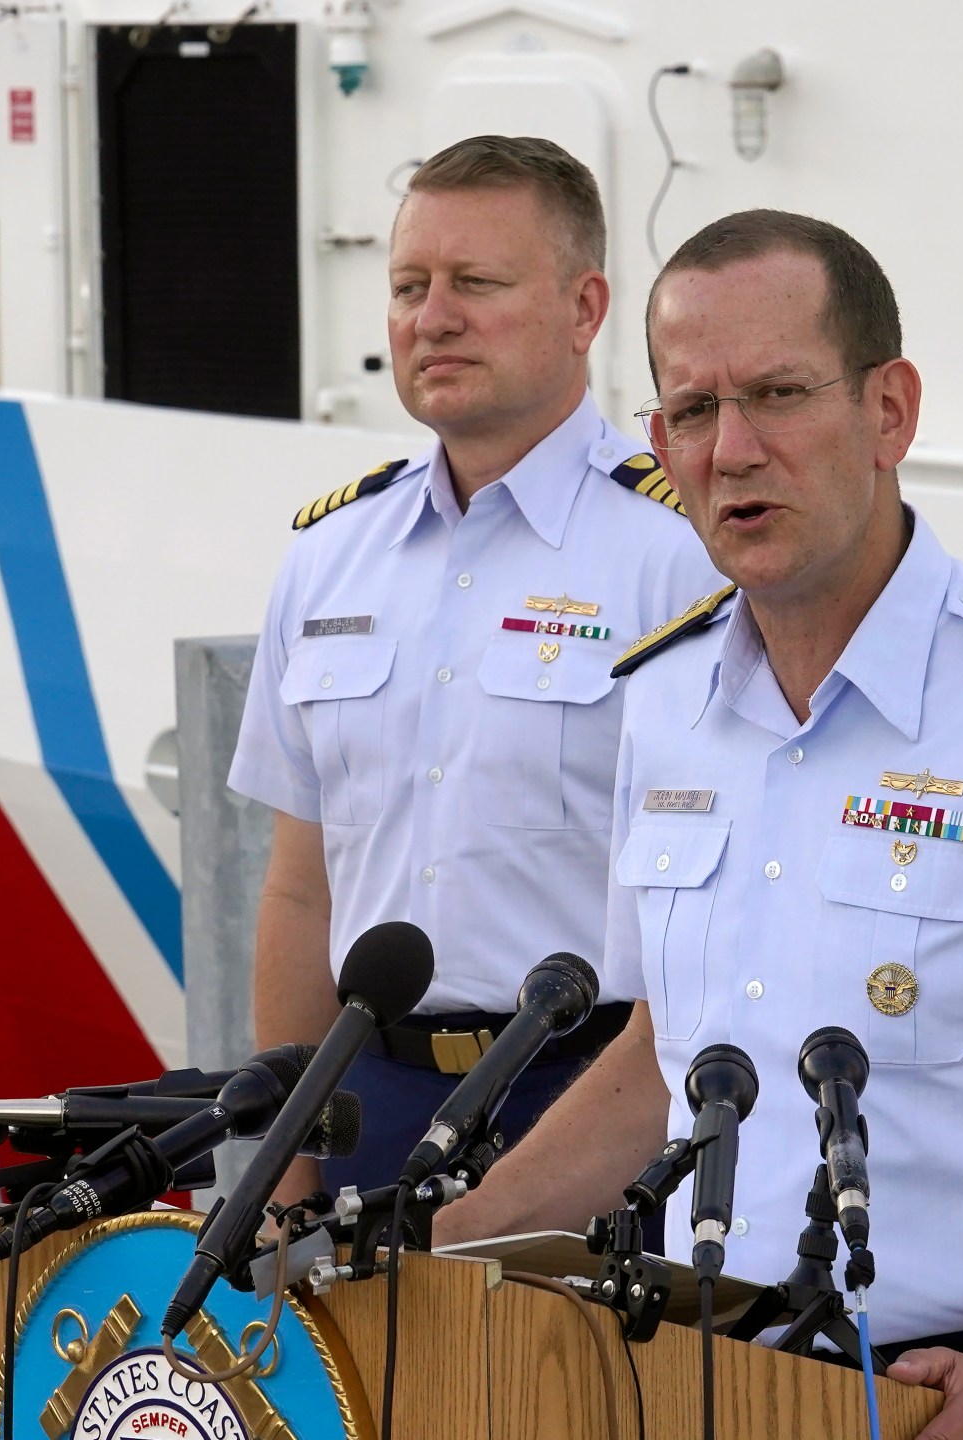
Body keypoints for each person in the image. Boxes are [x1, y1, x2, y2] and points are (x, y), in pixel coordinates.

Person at [435, 210, 963, 1440]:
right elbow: (661, 1057)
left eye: (777, 394)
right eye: (689, 410)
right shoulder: (666, 699)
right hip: (704, 1385)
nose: (730, 452)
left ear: (889, 411)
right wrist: (444, 1250)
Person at [229, 136, 723, 1204]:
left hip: (601, 1095)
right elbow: (299, 890)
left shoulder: (679, 554)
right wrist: (286, 1161)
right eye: (409, 286)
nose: (431, 317)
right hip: (372, 1098)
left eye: (476, 283)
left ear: (585, 308)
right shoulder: (327, 557)